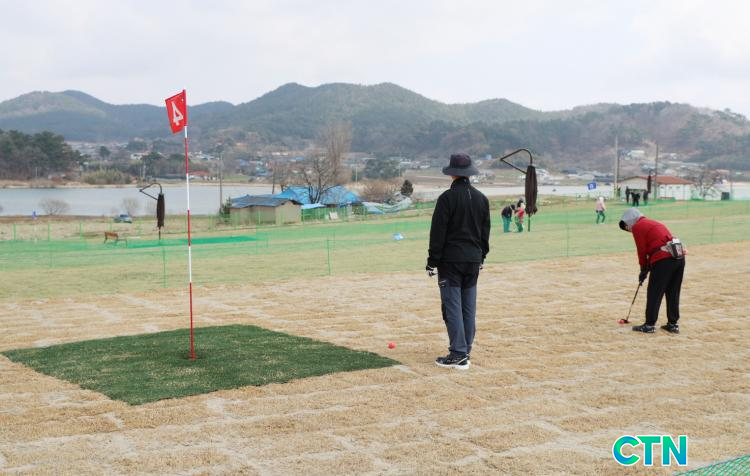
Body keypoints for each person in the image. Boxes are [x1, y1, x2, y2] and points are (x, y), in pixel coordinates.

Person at [427, 153, 490, 370]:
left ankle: (458, 354)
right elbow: (485, 232)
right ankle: (465, 350)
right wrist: (482, 256)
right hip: (473, 260)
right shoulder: (482, 198)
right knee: (468, 307)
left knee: (452, 307)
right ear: (469, 173)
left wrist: (432, 261)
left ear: (452, 173)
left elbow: (438, 233)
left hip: (451, 261)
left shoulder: (447, 198)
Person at [619, 208, 686, 334]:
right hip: (678, 258)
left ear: (630, 220)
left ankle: (649, 325)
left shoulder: (638, 226)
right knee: (673, 291)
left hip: (664, 261)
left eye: (626, 226)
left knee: (655, 292)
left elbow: (642, 251)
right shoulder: (653, 223)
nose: (628, 230)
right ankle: (673, 324)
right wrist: (647, 268)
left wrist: (643, 269)